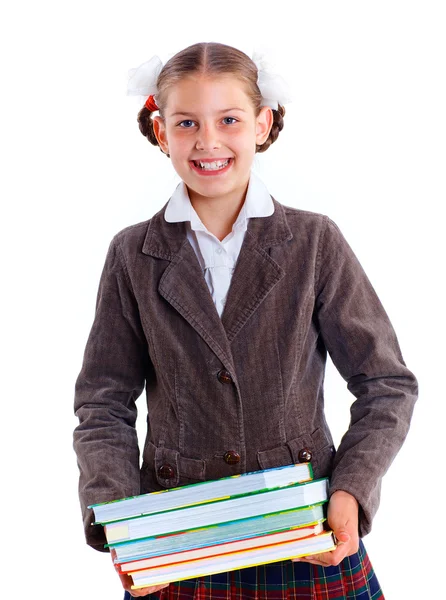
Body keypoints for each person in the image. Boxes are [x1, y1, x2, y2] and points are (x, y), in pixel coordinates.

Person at [73, 42, 418, 599]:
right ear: (161, 131)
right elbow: (103, 402)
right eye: (187, 122)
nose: (208, 141)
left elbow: (387, 385)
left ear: (262, 123)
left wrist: (350, 491)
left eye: (228, 119)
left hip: (308, 528)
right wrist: (119, 520)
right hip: (172, 538)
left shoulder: (314, 242)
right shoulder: (132, 254)